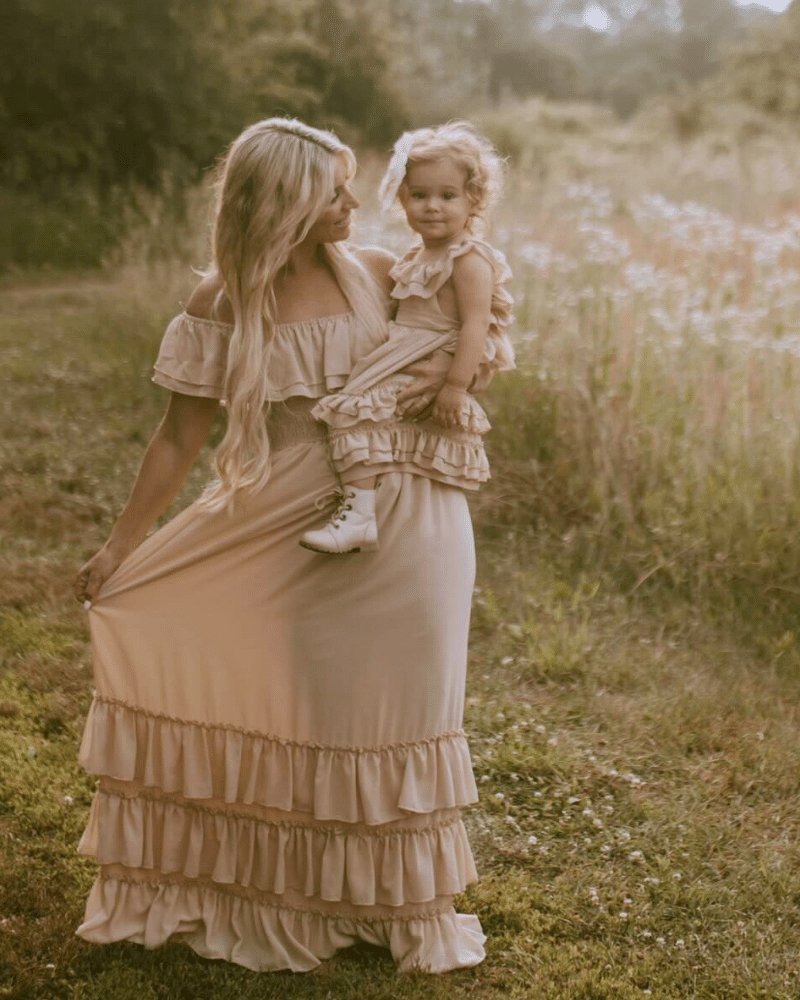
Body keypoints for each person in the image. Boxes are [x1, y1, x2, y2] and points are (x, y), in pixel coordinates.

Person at [73, 117, 487, 974]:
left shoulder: (382, 273)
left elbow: (471, 328)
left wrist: (459, 374)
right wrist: (122, 546)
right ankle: (288, 894)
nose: (352, 201)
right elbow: (178, 436)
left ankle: (400, 908)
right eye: (333, 189)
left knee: (397, 714)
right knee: (309, 708)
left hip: (415, 521)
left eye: (349, 185)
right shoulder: (221, 301)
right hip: (296, 526)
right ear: (284, 201)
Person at [299, 122, 515, 555]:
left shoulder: (469, 259)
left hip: (429, 350)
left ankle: (359, 514)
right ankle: (364, 507)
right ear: (403, 199)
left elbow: (476, 325)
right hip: (404, 347)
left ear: (474, 199)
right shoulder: (419, 255)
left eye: (447, 196)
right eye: (419, 195)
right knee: (359, 412)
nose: (432, 207)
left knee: (356, 411)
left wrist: (454, 385)